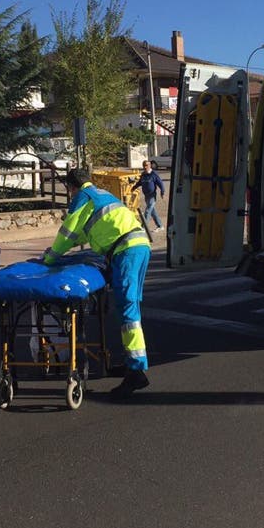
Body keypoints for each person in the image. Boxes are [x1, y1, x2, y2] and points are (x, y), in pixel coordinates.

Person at [44, 169, 152, 397]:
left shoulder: (82, 198)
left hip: (126, 250)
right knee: (131, 307)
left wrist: (50, 258)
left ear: (72, 188)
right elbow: (87, 231)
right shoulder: (100, 194)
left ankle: (136, 373)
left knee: (128, 310)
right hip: (138, 245)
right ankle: (133, 363)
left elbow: (68, 233)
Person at [131, 158, 165, 229]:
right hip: (146, 196)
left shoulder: (153, 174)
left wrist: (162, 192)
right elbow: (140, 182)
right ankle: (160, 225)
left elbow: (160, 183)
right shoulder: (143, 174)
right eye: (144, 165)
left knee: (147, 211)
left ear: (150, 165)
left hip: (152, 195)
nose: (145, 167)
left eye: (146, 165)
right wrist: (134, 187)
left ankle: (144, 228)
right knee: (152, 211)